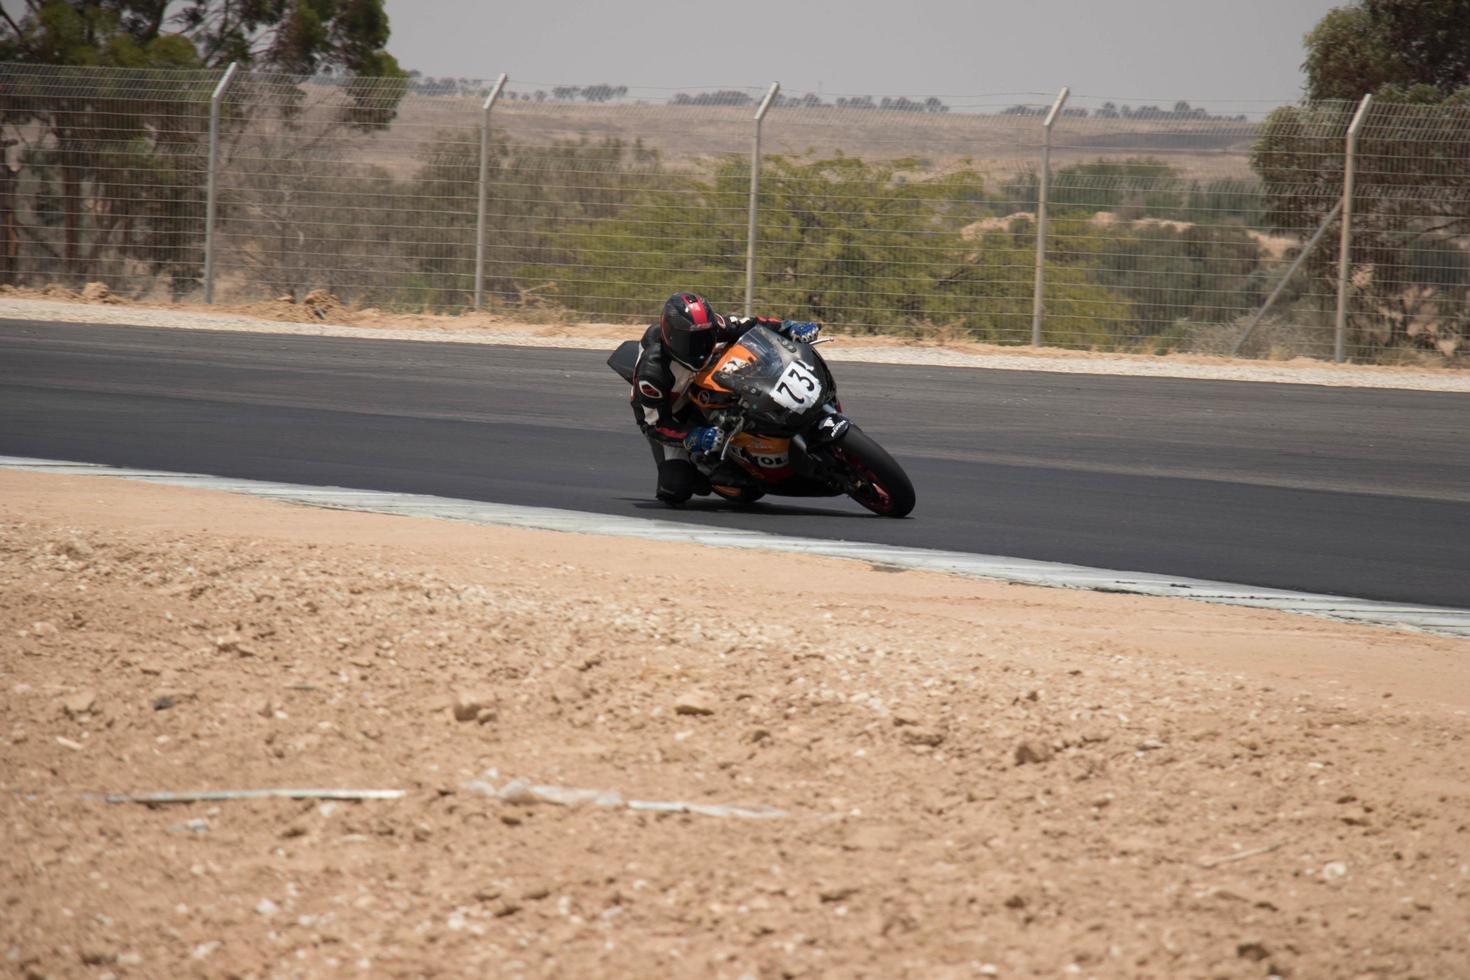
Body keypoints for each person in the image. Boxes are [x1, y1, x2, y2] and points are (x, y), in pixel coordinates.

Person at [630, 291, 820, 505]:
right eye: (691, 341)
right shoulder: (653, 373)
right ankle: (704, 468)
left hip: (706, 384)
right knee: (675, 488)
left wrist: (789, 326)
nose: (700, 346)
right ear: (671, 337)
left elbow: (752, 324)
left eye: (705, 336)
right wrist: (692, 435)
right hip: (673, 411)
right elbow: (654, 425)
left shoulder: (714, 327)